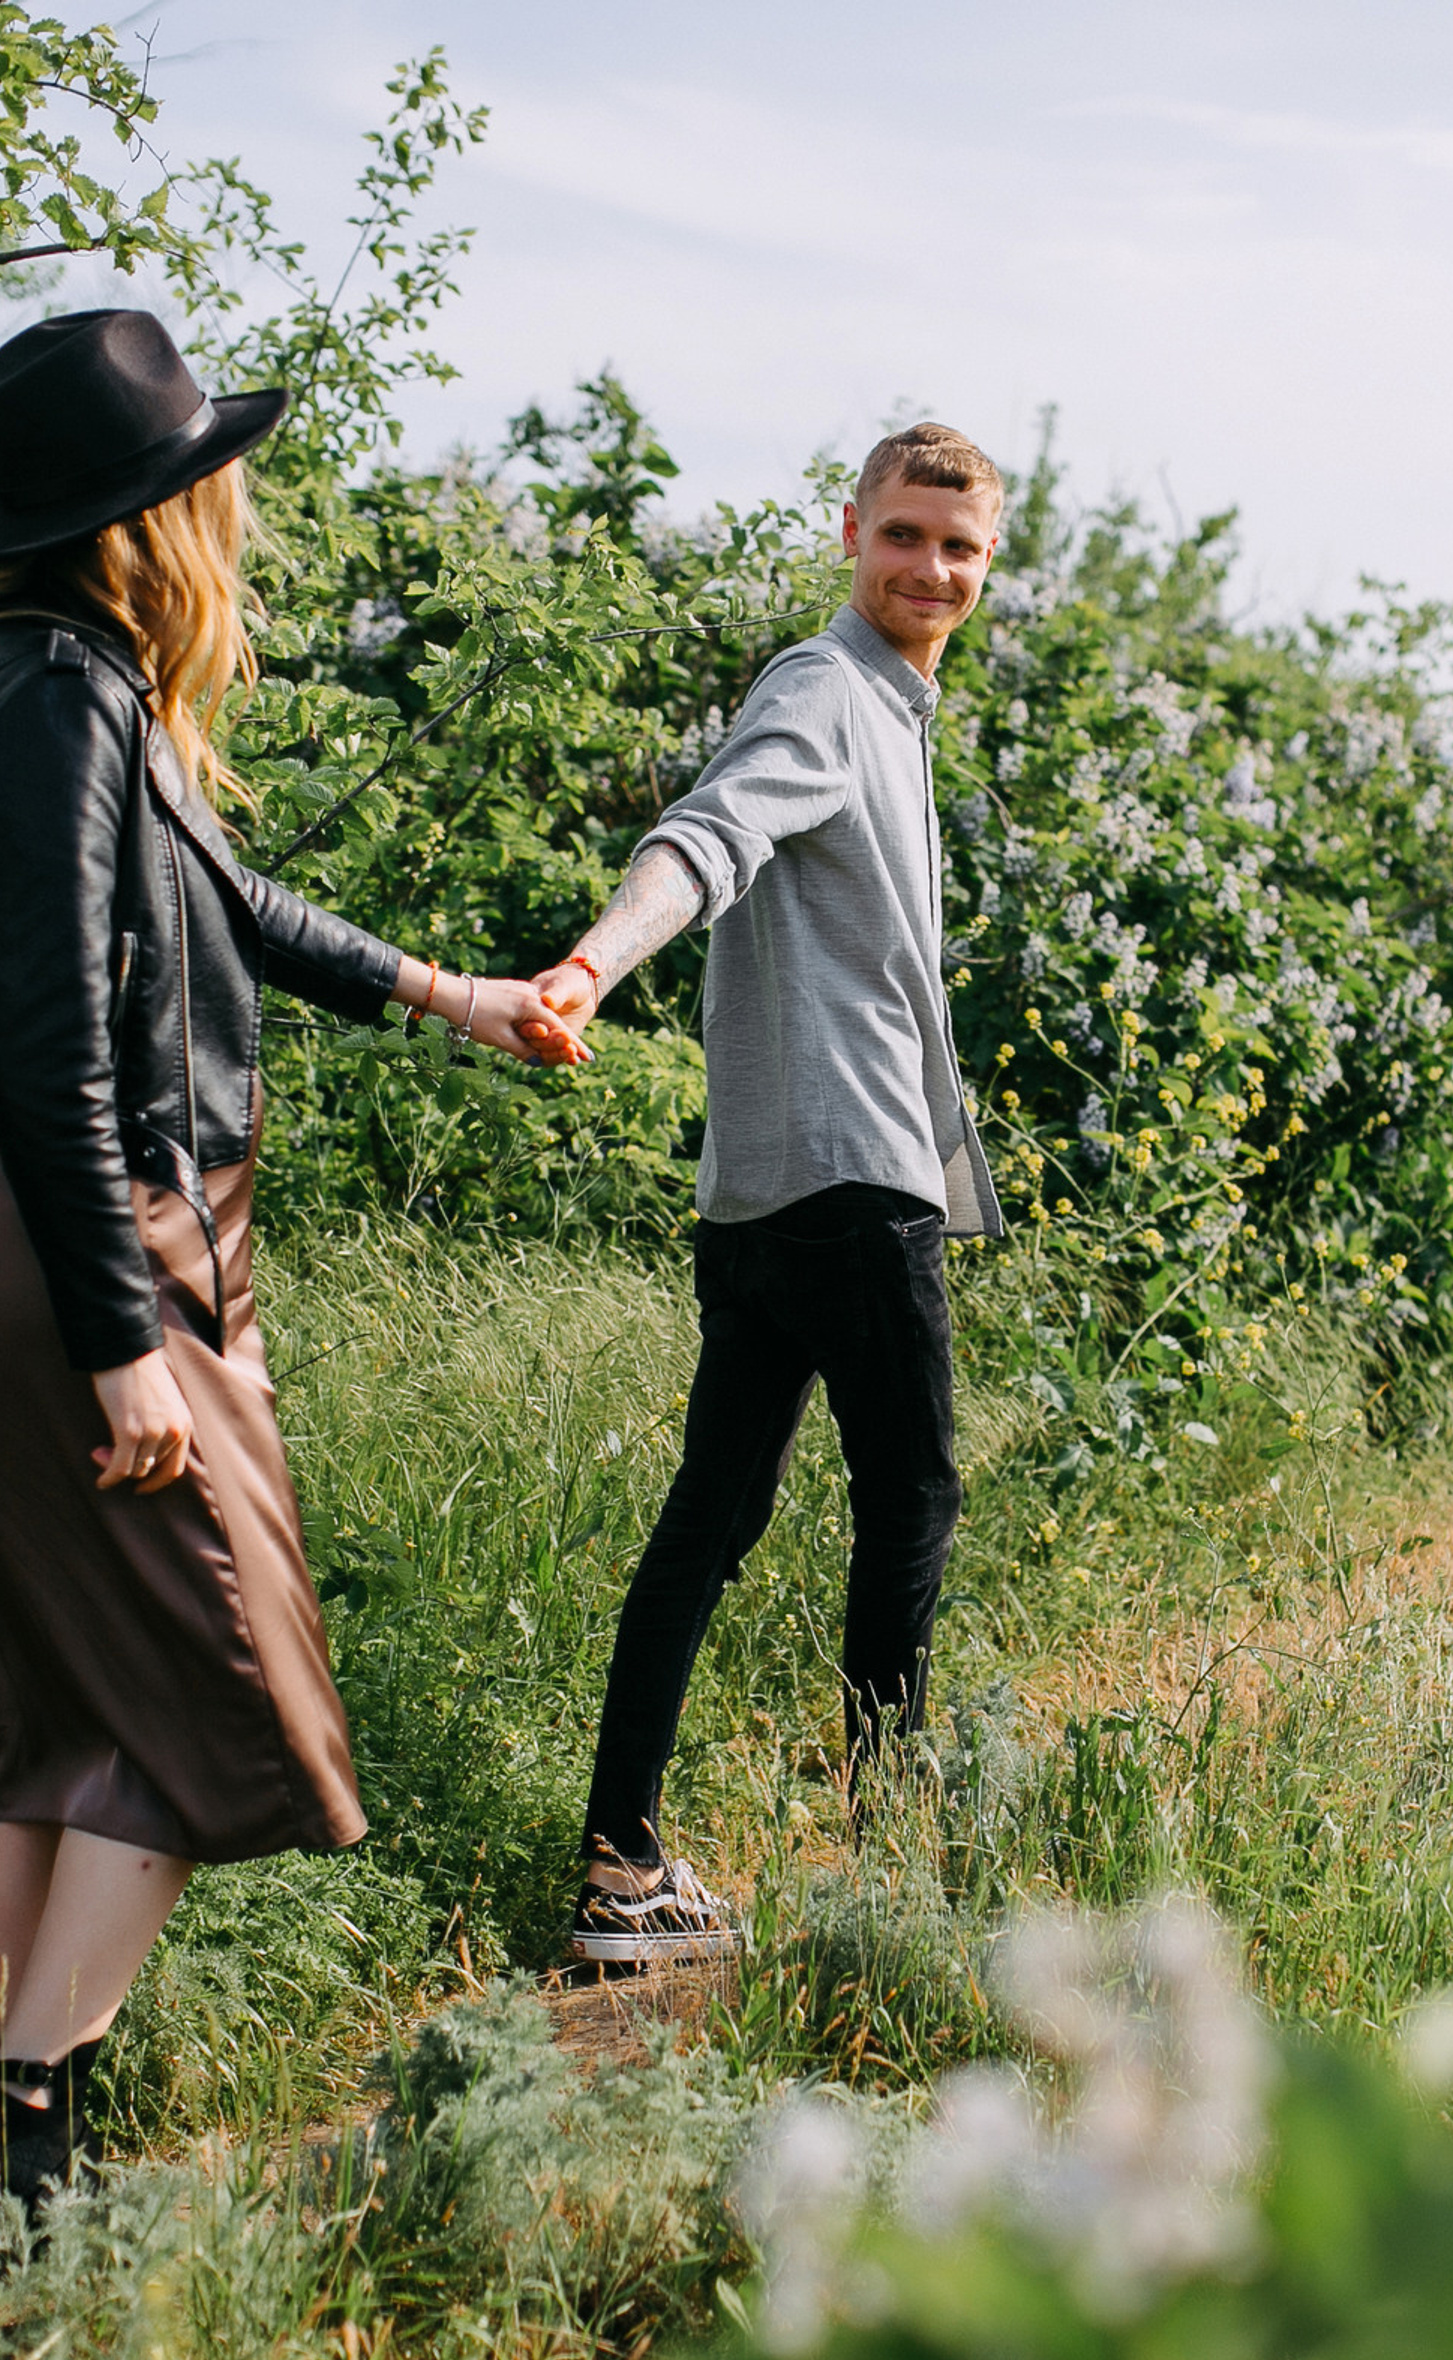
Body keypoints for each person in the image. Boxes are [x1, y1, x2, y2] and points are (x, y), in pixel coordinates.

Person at [0, 309, 571, 2227]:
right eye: (210, 482)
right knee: (212, 1684)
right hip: (59, 1243)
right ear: (150, 514)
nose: (236, 510)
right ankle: (9, 2149)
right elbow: (60, 1051)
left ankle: (3, 2176)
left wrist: (455, 995)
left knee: (26, 1709)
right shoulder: (67, 699)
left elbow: (217, 898)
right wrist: (124, 1344)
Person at [530, 422, 1007, 1967]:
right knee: (912, 1498)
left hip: (759, 1199)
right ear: (852, 529)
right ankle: (890, 1876)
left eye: (960, 546)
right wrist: (596, 961)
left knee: (712, 1521)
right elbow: (708, 839)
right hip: (852, 1183)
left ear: (988, 564)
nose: (930, 567)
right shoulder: (825, 690)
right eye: (905, 534)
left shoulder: (891, 711)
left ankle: (621, 1872)